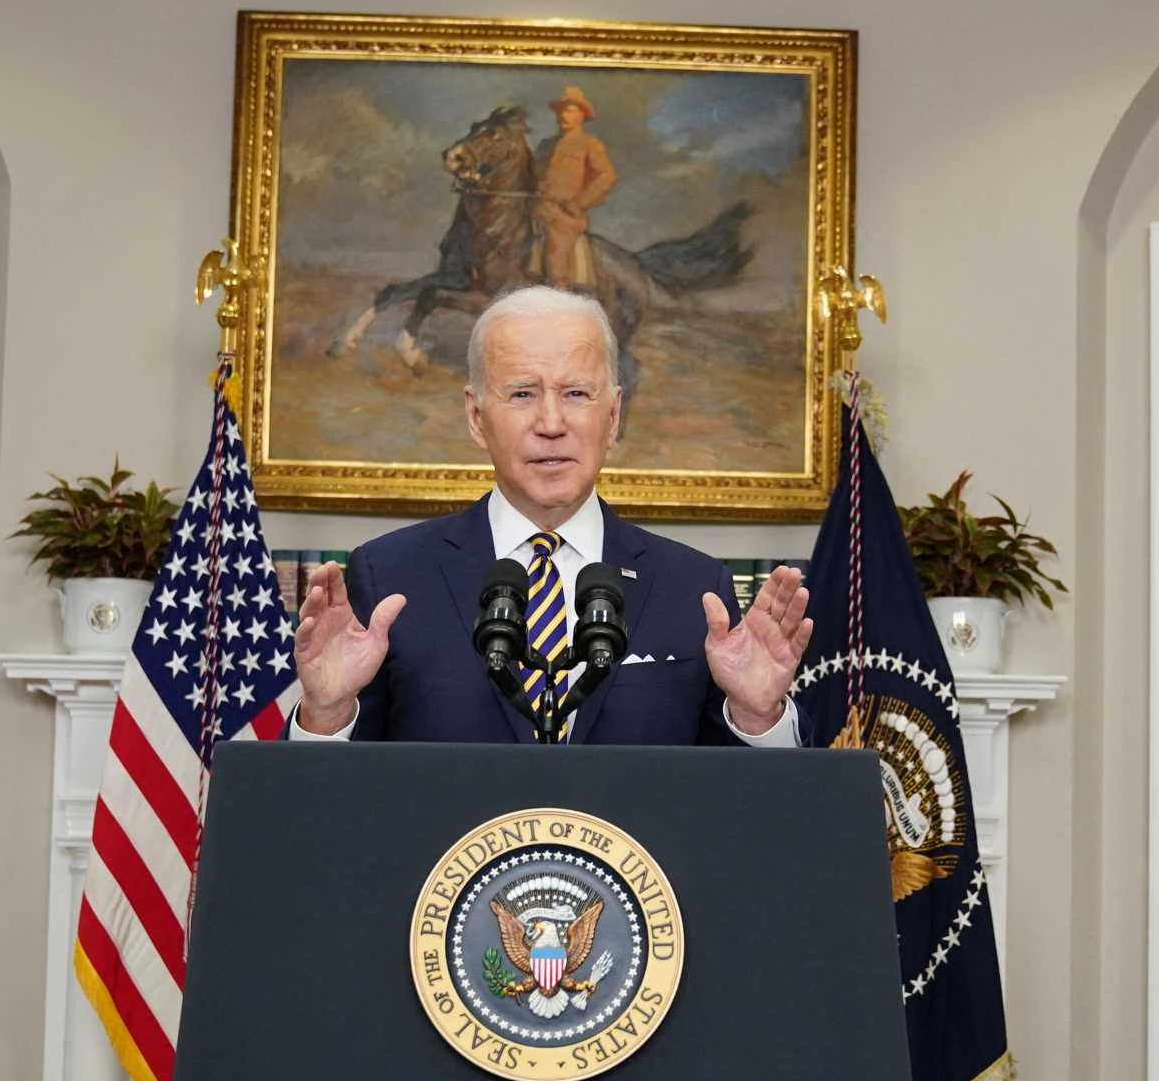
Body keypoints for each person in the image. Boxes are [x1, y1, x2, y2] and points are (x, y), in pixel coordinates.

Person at [289, 284, 809, 745]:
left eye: (577, 393)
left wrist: (757, 716)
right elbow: (336, 809)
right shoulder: (391, 576)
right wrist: (327, 712)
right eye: (522, 394)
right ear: (476, 416)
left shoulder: (695, 587)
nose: (551, 423)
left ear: (613, 417)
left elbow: (737, 812)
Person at [528, 86, 617, 293]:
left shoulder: (589, 144)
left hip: (564, 216)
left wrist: (579, 203)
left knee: (555, 261)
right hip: (537, 210)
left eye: (569, 110)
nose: (562, 115)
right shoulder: (545, 145)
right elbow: (532, 176)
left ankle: (561, 300)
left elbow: (608, 176)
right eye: (560, 111)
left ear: (582, 115)